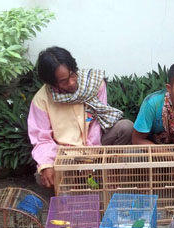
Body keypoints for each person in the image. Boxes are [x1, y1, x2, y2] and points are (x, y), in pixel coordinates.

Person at [28, 46, 133, 188]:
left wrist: (90, 155)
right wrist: (47, 165)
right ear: (51, 84)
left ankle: (106, 174)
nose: (71, 83)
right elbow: (42, 139)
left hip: (96, 144)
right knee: (42, 177)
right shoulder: (41, 100)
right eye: (64, 81)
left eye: (73, 75)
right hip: (65, 153)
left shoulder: (94, 85)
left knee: (126, 127)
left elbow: (95, 120)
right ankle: (78, 181)